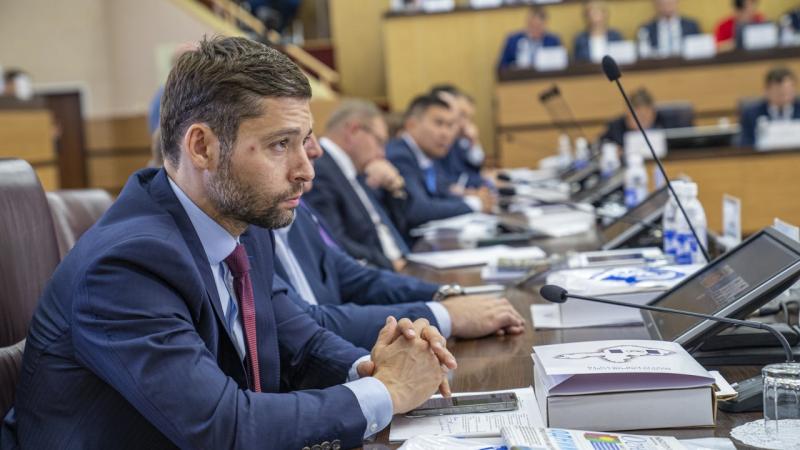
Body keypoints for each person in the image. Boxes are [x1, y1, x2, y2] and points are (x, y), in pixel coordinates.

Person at [1, 36, 457, 450]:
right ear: (202, 147)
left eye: (304, 142)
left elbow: (298, 343)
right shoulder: (126, 265)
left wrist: (374, 366)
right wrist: (388, 391)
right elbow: (223, 428)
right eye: (280, 145)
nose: (306, 170)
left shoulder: (244, 227)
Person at [305, 100, 409, 271]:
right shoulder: (319, 169)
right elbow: (335, 241)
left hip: (398, 264)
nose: (382, 153)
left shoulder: (358, 167)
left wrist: (394, 188)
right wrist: (389, 264)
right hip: (377, 271)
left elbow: (395, 225)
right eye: (379, 142)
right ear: (353, 131)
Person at [386, 95, 494, 239]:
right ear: (411, 125)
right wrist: (474, 203)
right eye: (439, 123)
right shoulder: (399, 155)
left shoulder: (426, 154)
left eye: (450, 126)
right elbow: (418, 209)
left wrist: (472, 197)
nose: (446, 134)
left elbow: (441, 193)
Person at [430, 85, 488, 190]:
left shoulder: (458, 140)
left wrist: (474, 141)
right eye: (462, 115)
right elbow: (449, 182)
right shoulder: (438, 142)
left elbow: (472, 169)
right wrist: (483, 182)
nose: (465, 123)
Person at [739, 67, 800, 148]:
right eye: (778, 91)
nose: (783, 94)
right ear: (766, 91)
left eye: (787, 90)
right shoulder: (751, 114)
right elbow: (745, 145)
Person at [497, 6, 563, 71]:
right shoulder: (513, 41)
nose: (534, 30)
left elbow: (562, 64)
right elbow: (502, 66)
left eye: (538, 26)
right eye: (531, 26)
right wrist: (514, 66)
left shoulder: (553, 41)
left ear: (545, 24)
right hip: (520, 76)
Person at [599, 88, 669, 147]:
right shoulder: (615, 128)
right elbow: (599, 145)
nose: (642, 122)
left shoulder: (665, 123)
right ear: (627, 113)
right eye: (638, 116)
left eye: (645, 117)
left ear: (654, 113)